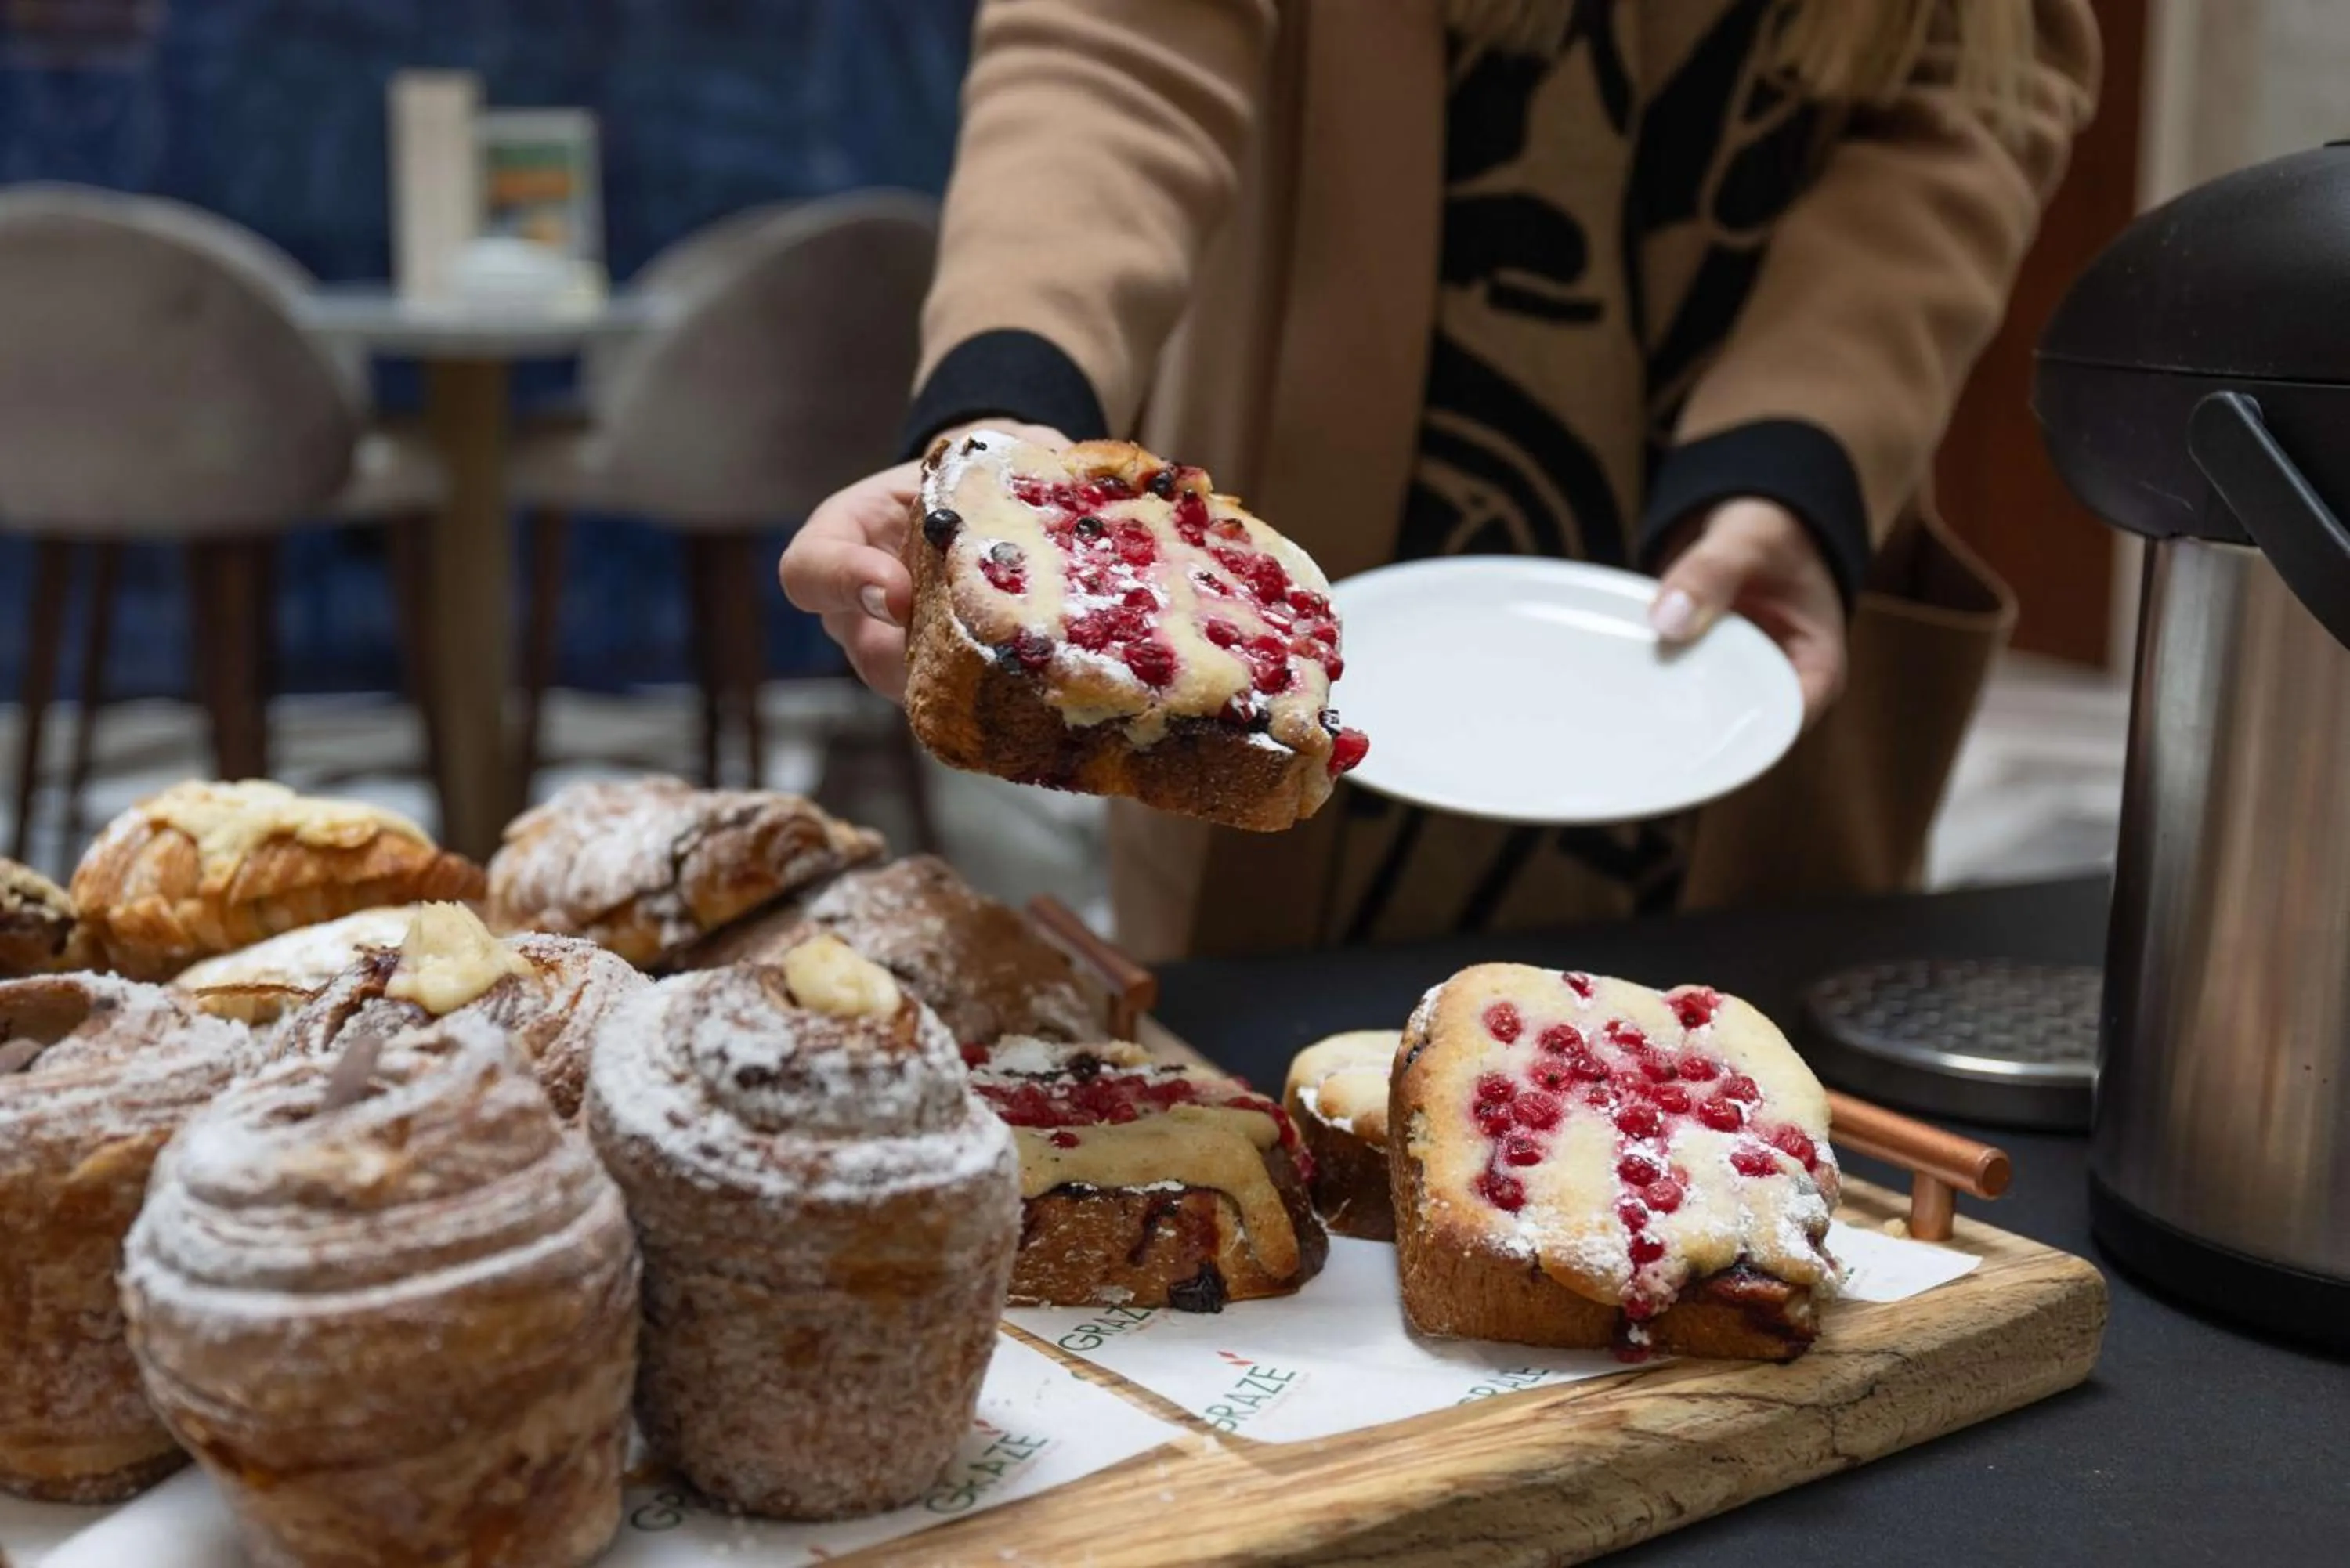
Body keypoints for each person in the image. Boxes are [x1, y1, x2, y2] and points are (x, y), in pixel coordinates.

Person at [782, 0, 2099, 962]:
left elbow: (1971, 89)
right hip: (1340, 562)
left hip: (1726, 604)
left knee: (1693, 1125)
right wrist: (1015, 428)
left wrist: (1794, 462)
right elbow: (1114, 54)